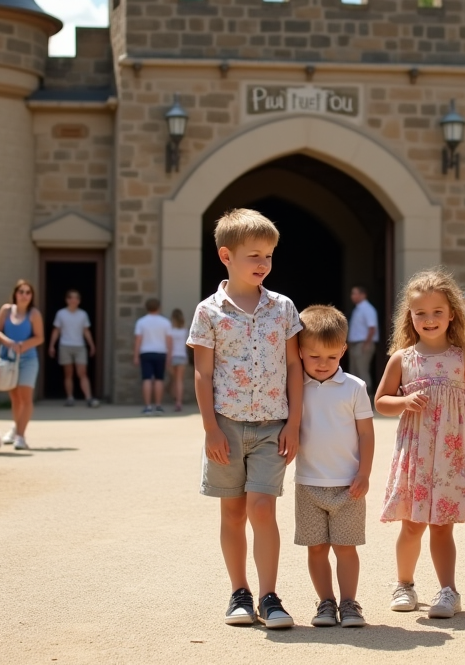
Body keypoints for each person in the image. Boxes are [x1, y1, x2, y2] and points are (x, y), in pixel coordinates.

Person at [375, 268, 465, 620]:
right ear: (410, 316)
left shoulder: (463, 358)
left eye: (437, 311)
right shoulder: (402, 360)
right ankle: (423, 587)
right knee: (423, 524)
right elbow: (380, 401)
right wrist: (404, 402)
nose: (429, 319)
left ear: (452, 313)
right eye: (420, 312)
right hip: (419, 457)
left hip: (460, 455)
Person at [188, 208, 304, 629]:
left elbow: (295, 367)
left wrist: (294, 423)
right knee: (233, 514)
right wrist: (209, 429)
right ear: (226, 255)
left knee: (262, 509)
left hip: (273, 426)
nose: (263, 264)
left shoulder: (284, 307)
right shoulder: (208, 311)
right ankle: (240, 593)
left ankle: (271, 596)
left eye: (269, 256)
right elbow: (202, 372)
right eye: (254, 255)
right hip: (226, 426)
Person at [295, 305, 374, 629]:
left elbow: (366, 434)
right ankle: (325, 602)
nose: (323, 364)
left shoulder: (355, 387)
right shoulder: (294, 386)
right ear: (299, 351)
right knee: (316, 550)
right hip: (308, 484)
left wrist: (365, 473)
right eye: (314, 357)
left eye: (331, 357)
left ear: (343, 349)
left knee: (346, 549)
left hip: (348, 486)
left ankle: (349, 603)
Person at [0, 280, 45, 450]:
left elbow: (39, 337)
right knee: (15, 398)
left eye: (28, 292)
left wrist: (23, 345)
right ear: (15, 294)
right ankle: (16, 427)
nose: (24, 295)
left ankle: (21, 437)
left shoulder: (34, 314)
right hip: (8, 359)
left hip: (28, 359)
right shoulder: (6, 310)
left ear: (32, 296)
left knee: (25, 397)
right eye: (21, 292)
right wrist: (9, 342)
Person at [50, 290, 98, 407]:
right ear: (67, 300)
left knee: (82, 373)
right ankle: (70, 397)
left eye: (76, 298)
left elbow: (86, 331)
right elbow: (57, 330)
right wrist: (52, 345)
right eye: (71, 298)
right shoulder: (61, 313)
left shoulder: (83, 314)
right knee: (68, 373)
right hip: (65, 346)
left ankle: (89, 398)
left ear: (79, 301)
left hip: (80, 346)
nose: (74, 300)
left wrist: (91, 344)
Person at [134, 298, 174, 415]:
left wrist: (136, 356)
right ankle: (158, 406)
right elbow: (169, 341)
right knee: (159, 379)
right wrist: (169, 355)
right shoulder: (165, 322)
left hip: (145, 352)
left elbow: (138, 340)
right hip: (161, 352)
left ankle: (147, 406)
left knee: (146, 379)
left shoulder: (141, 322)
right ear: (159, 307)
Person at [347, 286, 378, 389]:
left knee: (362, 371)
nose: (352, 296)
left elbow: (372, 328)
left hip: (363, 344)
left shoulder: (367, 309)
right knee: (354, 372)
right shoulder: (357, 309)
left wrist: (366, 344)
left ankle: (367, 395)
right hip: (355, 345)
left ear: (363, 295)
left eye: (355, 293)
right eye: (352, 293)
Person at [169, 308, 189, 412]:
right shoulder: (185, 331)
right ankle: (179, 402)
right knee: (179, 380)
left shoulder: (170, 331)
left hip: (172, 356)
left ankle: (175, 398)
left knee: (173, 380)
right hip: (182, 356)